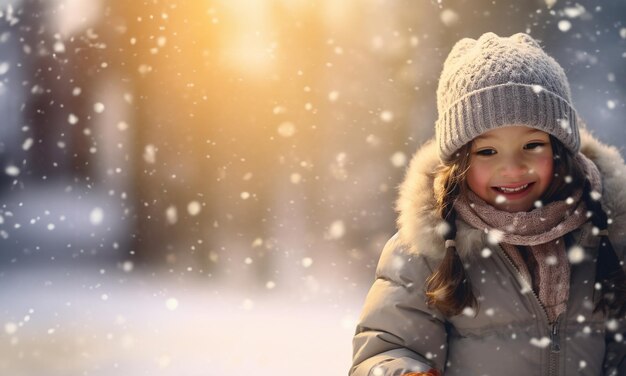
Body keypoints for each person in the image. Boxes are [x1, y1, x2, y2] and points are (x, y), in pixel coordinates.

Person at [350, 32, 626, 376]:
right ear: (460, 162)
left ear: (560, 150)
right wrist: (400, 371)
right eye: (486, 151)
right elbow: (387, 346)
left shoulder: (606, 236)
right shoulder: (425, 250)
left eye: (533, 145)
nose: (511, 167)